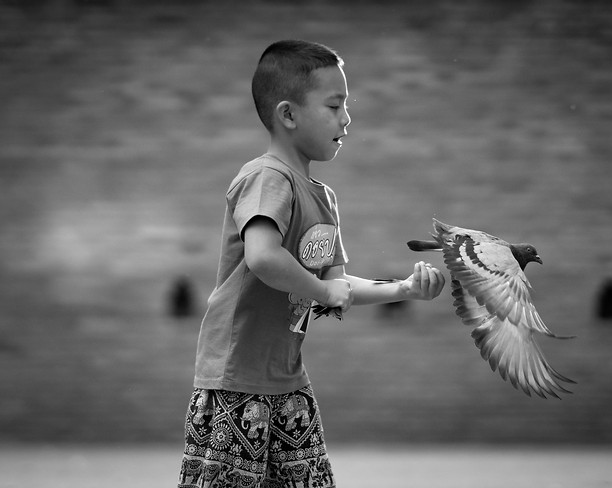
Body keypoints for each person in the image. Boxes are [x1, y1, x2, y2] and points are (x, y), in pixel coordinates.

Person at [178, 39, 446, 488]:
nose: (347, 118)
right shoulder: (265, 178)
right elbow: (263, 257)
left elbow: (336, 285)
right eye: (334, 105)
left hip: (288, 384)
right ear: (288, 114)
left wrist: (402, 289)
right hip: (234, 385)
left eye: (346, 106)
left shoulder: (323, 198)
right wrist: (322, 291)